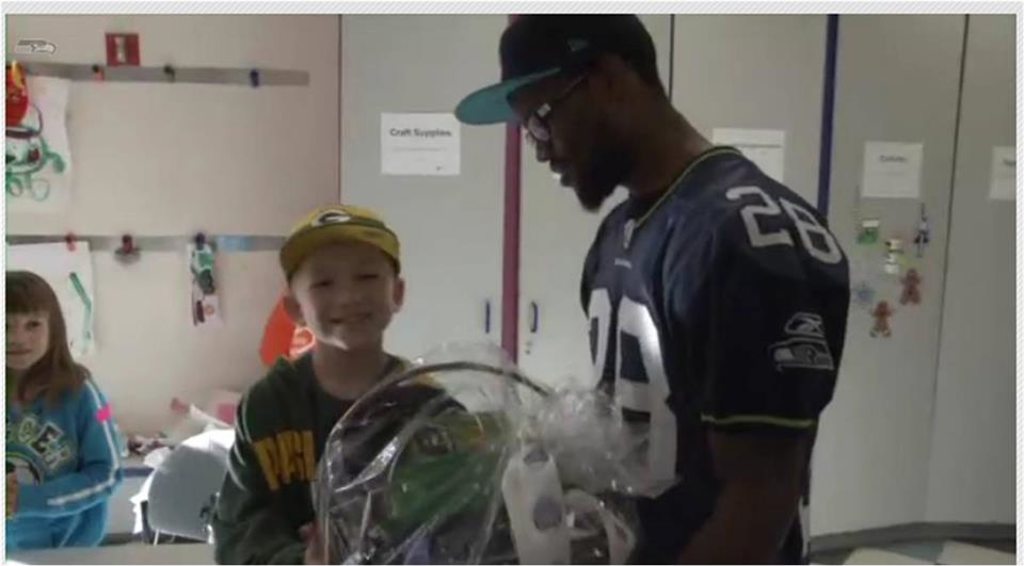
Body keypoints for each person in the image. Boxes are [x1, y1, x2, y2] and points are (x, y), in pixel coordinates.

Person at [455, 15, 850, 564]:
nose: (540, 151)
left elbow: (761, 498)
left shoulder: (742, 237)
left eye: (542, 122)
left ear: (611, 80)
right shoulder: (622, 230)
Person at [212, 204, 414, 564]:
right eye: (323, 283)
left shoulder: (425, 404)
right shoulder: (270, 404)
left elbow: (463, 521)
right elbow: (238, 529)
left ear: (397, 293)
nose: (348, 296)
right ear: (294, 309)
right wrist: (304, 560)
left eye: (366, 277)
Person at [6, 270, 124, 551]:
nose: (17, 338)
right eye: (4, 325)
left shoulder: (84, 393)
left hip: (68, 550)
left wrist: (26, 500)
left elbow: (108, 473)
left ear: (54, 329)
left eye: (33, 324)